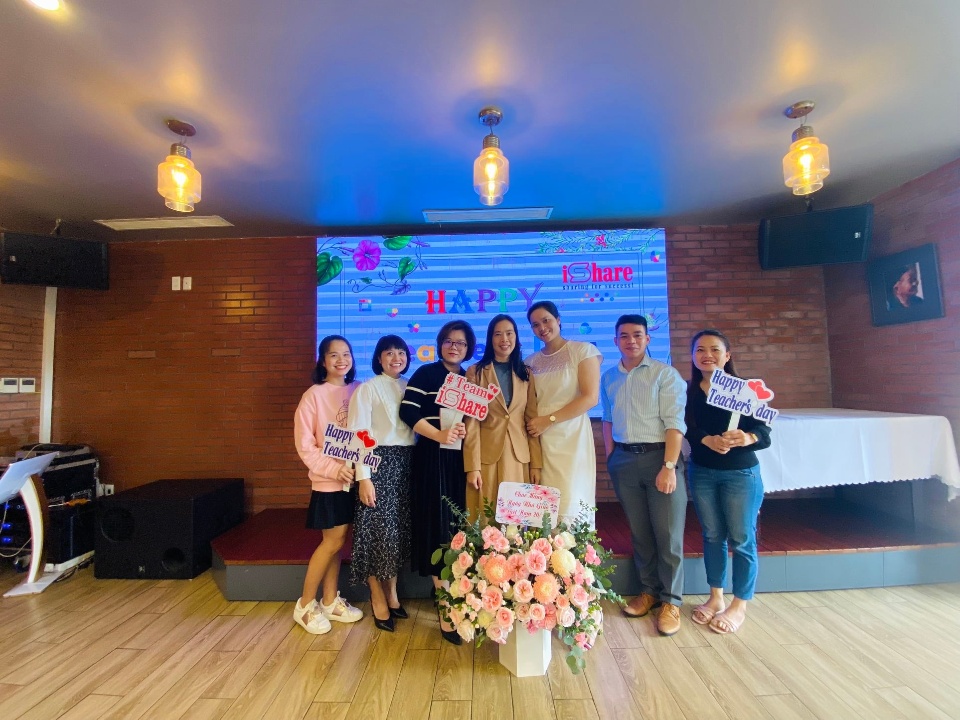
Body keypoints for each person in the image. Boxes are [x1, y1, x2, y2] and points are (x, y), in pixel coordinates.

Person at [600, 314, 686, 636]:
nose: (631, 341)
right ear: (616, 341)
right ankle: (648, 592)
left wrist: (669, 466)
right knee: (640, 533)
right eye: (624, 336)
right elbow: (607, 419)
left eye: (637, 335)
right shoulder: (609, 377)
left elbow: (675, 423)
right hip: (624, 460)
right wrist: (611, 457)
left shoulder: (665, 374)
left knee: (667, 534)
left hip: (659, 459)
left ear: (648, 339)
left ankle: (671, 601)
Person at [685, 329, 771, 635]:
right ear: (692, 356)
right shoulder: (688, 392)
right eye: (700, 350)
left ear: (727, 355)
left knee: (741, 538)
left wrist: (747, 437)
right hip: (702, 472)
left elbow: (764, 434)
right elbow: (686, 428)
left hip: (740, 475)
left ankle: (739, 604)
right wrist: (706, 439)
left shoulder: (746, 390)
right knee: (712, 535)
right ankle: (716, 597)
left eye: (715, 349)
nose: (707, 355)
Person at [400, 319, 475, 645]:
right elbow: (408, 412)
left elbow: (476, 421)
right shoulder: (426, 373)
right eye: (448, 341)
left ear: (469, 348)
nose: (454, 347)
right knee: (438, 526)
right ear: (440, 343)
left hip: (460, 461)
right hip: (432, 458)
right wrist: (439, 434)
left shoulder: (469, 380)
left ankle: (457, 596)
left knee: (457, 528)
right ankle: (445, 607)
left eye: (460, 343)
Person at [292, 335, 364, 634]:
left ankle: (330, 600)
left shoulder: (359, 389)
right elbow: (305, 446)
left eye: (346, 354)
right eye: (333, 355)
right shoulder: (313, 396)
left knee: (339, 542)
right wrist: (335, 470)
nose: (341, 360)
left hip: (355, 480)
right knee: (332, 542)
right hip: (329, 483)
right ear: (323, 361)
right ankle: (305, 605)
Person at [347, 334, 415, 633]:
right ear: (378, 358)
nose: (396, 358)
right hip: (378, 464)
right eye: (389, 353)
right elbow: (359, 433)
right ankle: (377, 597)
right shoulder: (367, 388)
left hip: (407, 464)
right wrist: (364, 477)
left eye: (401, 352)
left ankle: (393, 595)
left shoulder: (410, 385)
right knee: (377, 534)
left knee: (396, 535)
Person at [524, 301, 602, 523]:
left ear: (558, 320)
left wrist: (549, 420)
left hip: (572, 437)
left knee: (570, 499)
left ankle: (572, 546)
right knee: (543, 507)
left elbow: (590, 398)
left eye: (546, 320)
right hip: (540, 438)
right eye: (535, 324)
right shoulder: (530, 362)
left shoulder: (582, 351)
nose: (542, 328)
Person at [464, 314, 543, 521]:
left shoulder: (526, 373)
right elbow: (471, 422)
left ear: (516, 337)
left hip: (519, 456)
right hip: (486, 456)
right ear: (490, 339)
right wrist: (472, 466)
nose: (504, 339)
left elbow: (531, 419)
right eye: (498, 334)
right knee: (486, 513)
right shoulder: (476, 372)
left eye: (509, 333)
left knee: (516, 518)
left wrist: (536, 464)